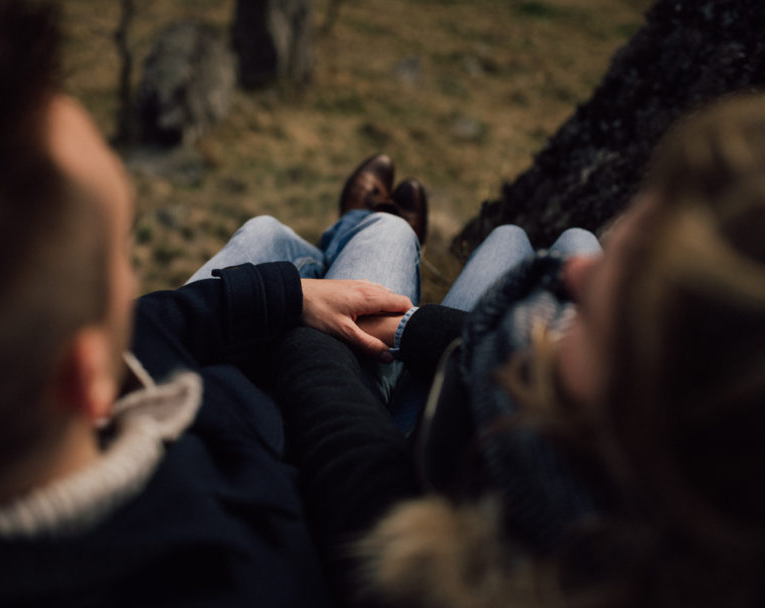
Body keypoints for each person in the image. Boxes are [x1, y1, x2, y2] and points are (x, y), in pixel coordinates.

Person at [0, 1, 425, 605]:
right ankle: (366, 225)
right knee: (388, 239)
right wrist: (307, 352)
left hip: (218, 385)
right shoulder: (241, 576)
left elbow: (148, 322)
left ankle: (344, 233)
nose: (135, 281)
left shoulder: (15, 392)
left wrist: (285, 295)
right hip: (310, 436)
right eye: (123, 253)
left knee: (266, 236)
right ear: (89, 378)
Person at [268, 93, 765, 608]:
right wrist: (410, 326)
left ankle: (357, 228)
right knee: (543, 240)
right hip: (447, 400)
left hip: (373, 437)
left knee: (372, 235)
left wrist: (304, 320)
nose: (576, 274)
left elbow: (348, 458)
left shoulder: (458, 568)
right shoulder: (665, 505)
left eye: (615, 295)